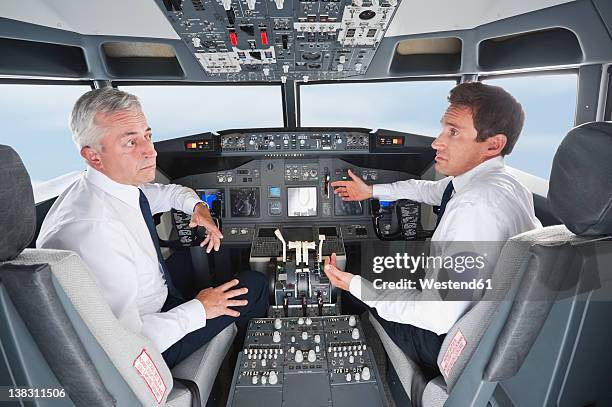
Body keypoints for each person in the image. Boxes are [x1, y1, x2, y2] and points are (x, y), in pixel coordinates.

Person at [324, 82, 542, 381]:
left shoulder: (474, 209)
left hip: (451, 340)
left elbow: (436, 317)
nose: (437, 143)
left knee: (359, 295)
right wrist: (371, 190)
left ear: (493, 144)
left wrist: (357, 286)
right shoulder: (502, 183)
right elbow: (428, 189)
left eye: (453, 132)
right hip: (485, 324)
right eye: (443, 129)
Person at [37, 88, 268, 368]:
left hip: (156, 300)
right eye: (131, 143)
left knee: (191, 258)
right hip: (151, 342)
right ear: (93, 156)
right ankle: (244, 363)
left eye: (147, 135)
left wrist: (198, 209)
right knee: (254, 285)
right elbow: (127, 342)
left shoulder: (115, 188)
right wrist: (200, 308)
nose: (151, 151)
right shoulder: (95, 231)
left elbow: (170, 194)